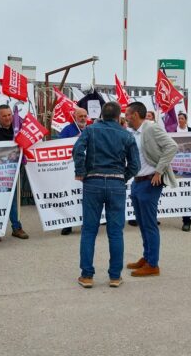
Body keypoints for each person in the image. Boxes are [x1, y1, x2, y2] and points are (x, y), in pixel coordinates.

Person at [73, 102, 140, 288]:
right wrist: (122, 178)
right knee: (115, 232)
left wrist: (81, 171)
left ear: (101, 114)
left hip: (92, 182)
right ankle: (115, 276)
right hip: (115, 183)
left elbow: (78, 149)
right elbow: (135, 165)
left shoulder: (90, 130)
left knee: (89, 231)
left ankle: (87, 276)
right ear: (119, 117)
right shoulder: (126, 135)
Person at [125, 102, 178, 277]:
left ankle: (153, 264)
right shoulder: (134, 132)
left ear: (134, 114)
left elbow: (172, 146)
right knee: (142, 223)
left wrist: (159, 170)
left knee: (149, 224)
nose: (125, 117)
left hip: (150, 183)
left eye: (127, 114)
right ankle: (147, 257)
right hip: (137, 182)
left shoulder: (151, 128)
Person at [0, 105, 29, 241]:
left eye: (9, 115)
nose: (8, 118)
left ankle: (16, 227)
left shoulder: (19, 129)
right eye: (4, 116)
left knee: (13, 200)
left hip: (13, 170)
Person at [58, 107, 89, 235]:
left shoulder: (91, 129)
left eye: (84, 116)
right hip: (70, 169)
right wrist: (74, 140)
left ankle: (85, 223)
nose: (82, 118)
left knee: (85, 198)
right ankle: (68, 224)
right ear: (75, 117)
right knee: (70, 196)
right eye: (80, 116)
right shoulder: (67, 129)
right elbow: (59, 144)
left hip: (86, 169)